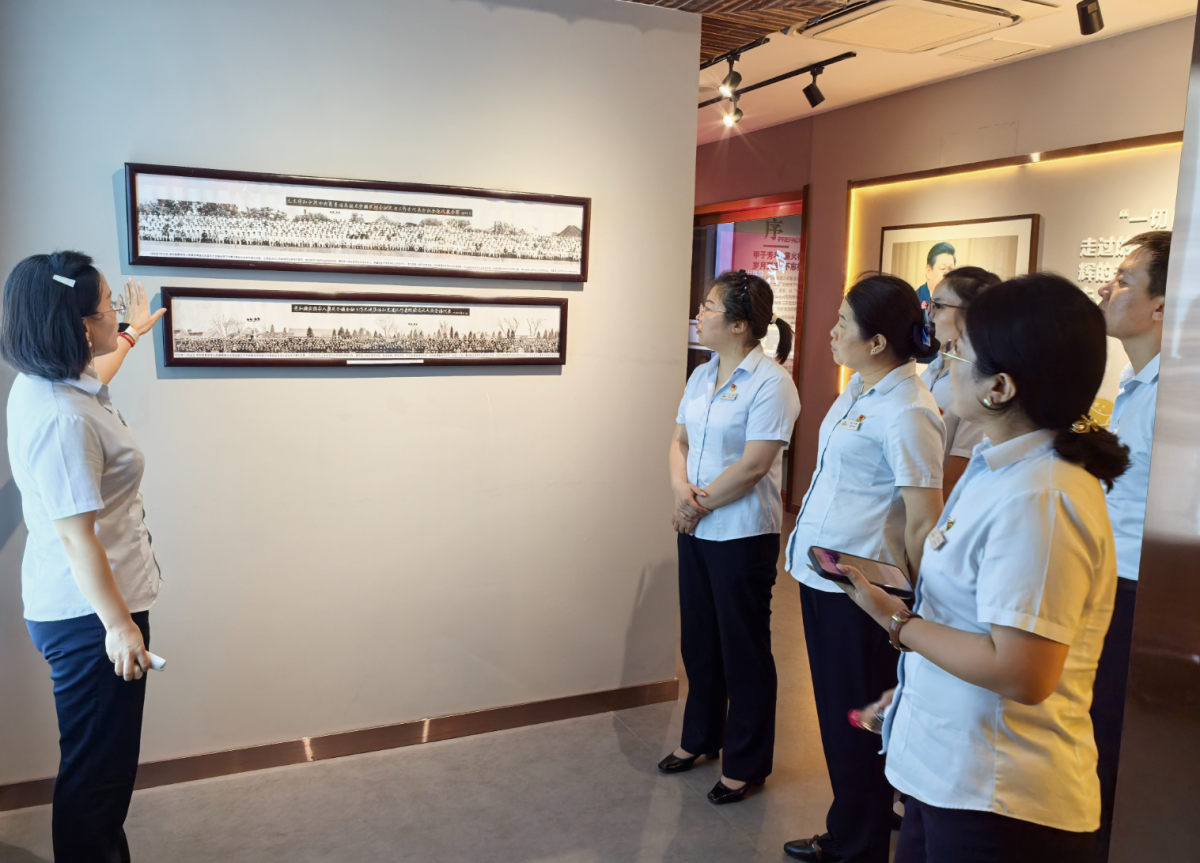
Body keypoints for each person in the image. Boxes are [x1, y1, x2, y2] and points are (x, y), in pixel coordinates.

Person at [839, 273, 1129, 863]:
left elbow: (1022, 671)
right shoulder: (999, 465)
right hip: (947, 770)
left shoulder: (1043, 496)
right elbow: (971, 622)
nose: (943, 364)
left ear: (999, 387)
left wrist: (897, 623)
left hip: (1000, 799)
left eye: (957, 353)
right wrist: (914, 692)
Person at [1, 251, 166, 863]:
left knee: (100, 766)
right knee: (98, 778)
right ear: (78, 326)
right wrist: (119, 627)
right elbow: (78, 538)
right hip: (92, 617)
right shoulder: (63, 419)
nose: (115, 316)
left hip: (84, 607)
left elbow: (101, 369)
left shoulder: (46, 381)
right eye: (108, 309)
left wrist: (132, 335)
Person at [783, 273, 945, 863]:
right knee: (837, 714)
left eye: (842, 323)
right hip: (823, 576)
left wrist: (920, 610)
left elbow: (924, 520)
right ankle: (851, 828)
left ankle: (858, 846)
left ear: (877, 342)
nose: (831, 332)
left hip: (862, 590)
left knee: (855, 720)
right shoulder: (859, 388)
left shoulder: (909, 410)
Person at [661, 269, 801, 805]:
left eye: (708, 307)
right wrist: (682, 493)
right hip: (695, 525)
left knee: (743, 648)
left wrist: (694, 507)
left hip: (741, 534)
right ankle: (700, 738)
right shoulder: (702, 375)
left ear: (740, 325)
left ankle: (746, 762)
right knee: (699, 641)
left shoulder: (772, 383)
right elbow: (678, 441)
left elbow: (753, 466)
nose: (699, 314)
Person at [1091, 231, 1168, 861]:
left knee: (1113, 737)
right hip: (1110, 577)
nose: (1106, 288)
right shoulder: (1134, 380)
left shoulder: (1175, 395)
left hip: (1141, 588)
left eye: (1123, 279)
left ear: (1162, 306)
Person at [921, 267, 1001, 498]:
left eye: (939, 306)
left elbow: (955, 478)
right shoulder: (934, 366)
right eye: (930, 305)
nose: (931, 315)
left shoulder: (982, 382)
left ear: (974, 314)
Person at [915, 242, 956, 307]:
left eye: (951, 269)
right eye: (943, 268)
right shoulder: (916, 300)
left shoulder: (956, 301)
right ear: (929, 271)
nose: (947, 274)